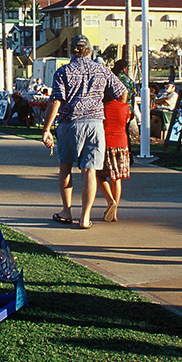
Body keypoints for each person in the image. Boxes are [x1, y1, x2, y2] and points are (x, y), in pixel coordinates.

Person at [41, 35, 127, 229]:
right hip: (95, 124)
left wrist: (47, 128)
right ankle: (85, 217)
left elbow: (56, 100)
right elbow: (121, 91)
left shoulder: (64, 71)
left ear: (70, 50)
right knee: (90, 170)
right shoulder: (102, 70)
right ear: (89, 50)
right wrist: (101, 103)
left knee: (65, 167)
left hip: (69, 124)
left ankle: (66, 211)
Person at [98, 95, 131, 222]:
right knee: (116, 178)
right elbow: (127, 120)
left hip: (107, 142)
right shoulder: (125, 107)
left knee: (98, 174)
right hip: (122, 143)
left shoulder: (102, 107)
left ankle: (110, 200)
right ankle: (115, 212)